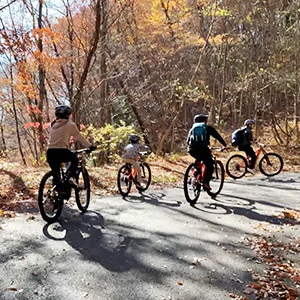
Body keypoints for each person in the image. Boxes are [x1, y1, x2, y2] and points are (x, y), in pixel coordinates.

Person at [47, 105, 96, 187]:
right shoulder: (70, 125)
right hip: (62, 151)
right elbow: (79, 137)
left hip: (50, 152)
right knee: (74, 159)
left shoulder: (53, 125)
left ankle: (55, 195)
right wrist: (89, 146)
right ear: (67, 115)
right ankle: (70, 177)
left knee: (56, 173)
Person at [187, 114, 227, 190]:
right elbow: (217, 136)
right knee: (210, 165)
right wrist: (224, 145)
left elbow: (187, 141)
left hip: (192, 149)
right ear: (204, 121)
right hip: (203, 149)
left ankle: (195, 174)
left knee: (199, 158)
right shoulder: (207, 128)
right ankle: (206, 182)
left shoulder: (192, 129)